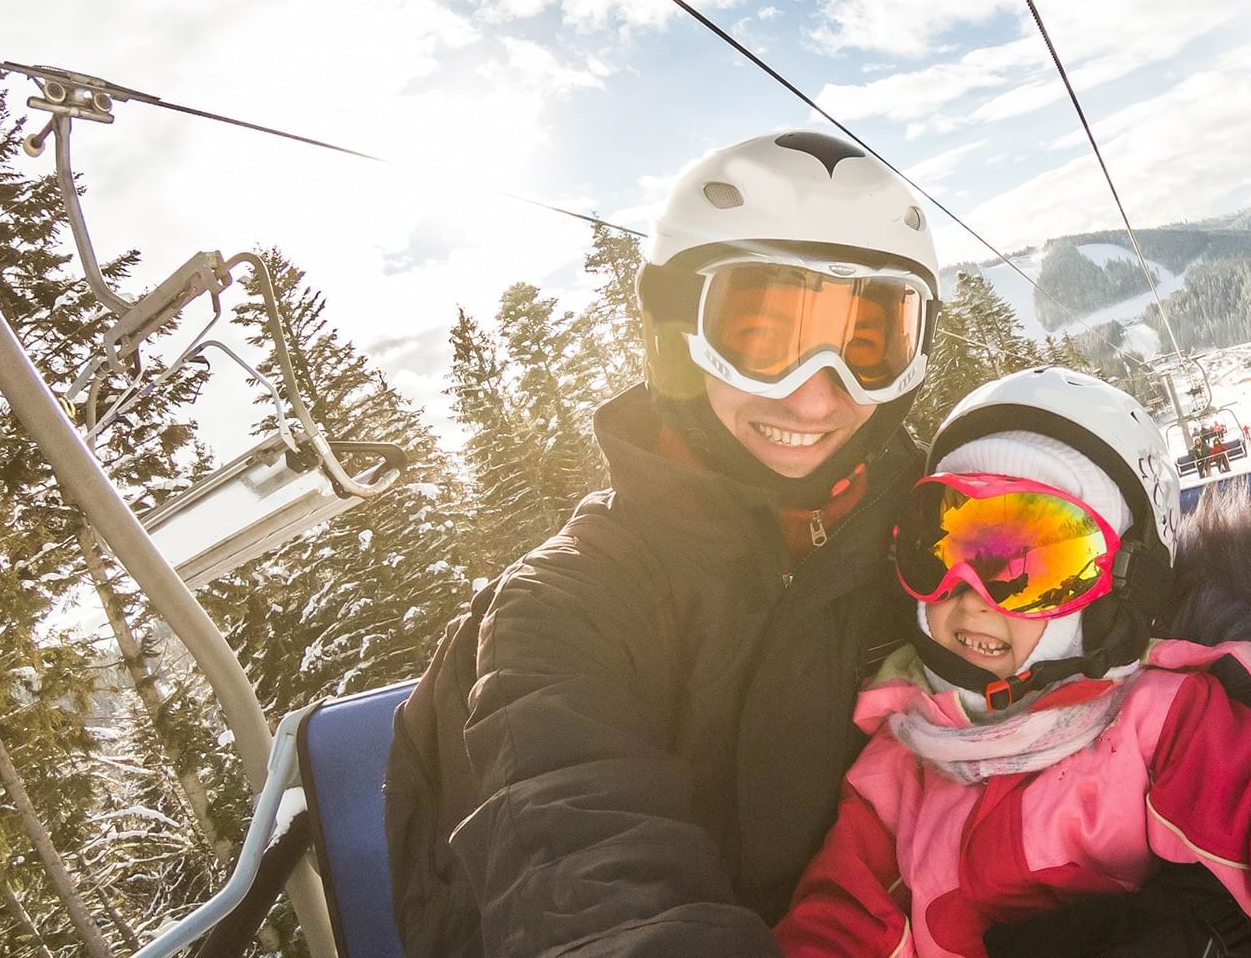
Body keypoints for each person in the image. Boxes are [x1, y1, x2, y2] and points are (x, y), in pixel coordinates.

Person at [384, 129, 941, 957]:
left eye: (867, 346)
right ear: (678, 339)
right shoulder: (567, 604)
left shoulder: (940, 542)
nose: (817, 398)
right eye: (764, 339)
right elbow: (586, 870)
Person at [775, 367, 1251, 958]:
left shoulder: (1156, 722)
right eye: (940, 545)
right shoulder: (897, 767)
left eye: (1024, 565)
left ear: (1122, 589)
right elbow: (841, 921)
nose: (971, 591)